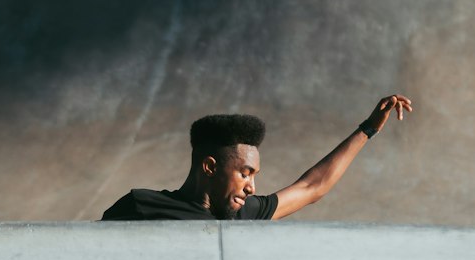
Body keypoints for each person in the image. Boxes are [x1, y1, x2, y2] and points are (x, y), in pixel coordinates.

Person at [101, 95, 412, 221]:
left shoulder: (244, 213)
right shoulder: (141, 206)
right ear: (210, 166)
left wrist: (368, 129)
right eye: (245, 173)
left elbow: (312, 187)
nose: (252, 186)